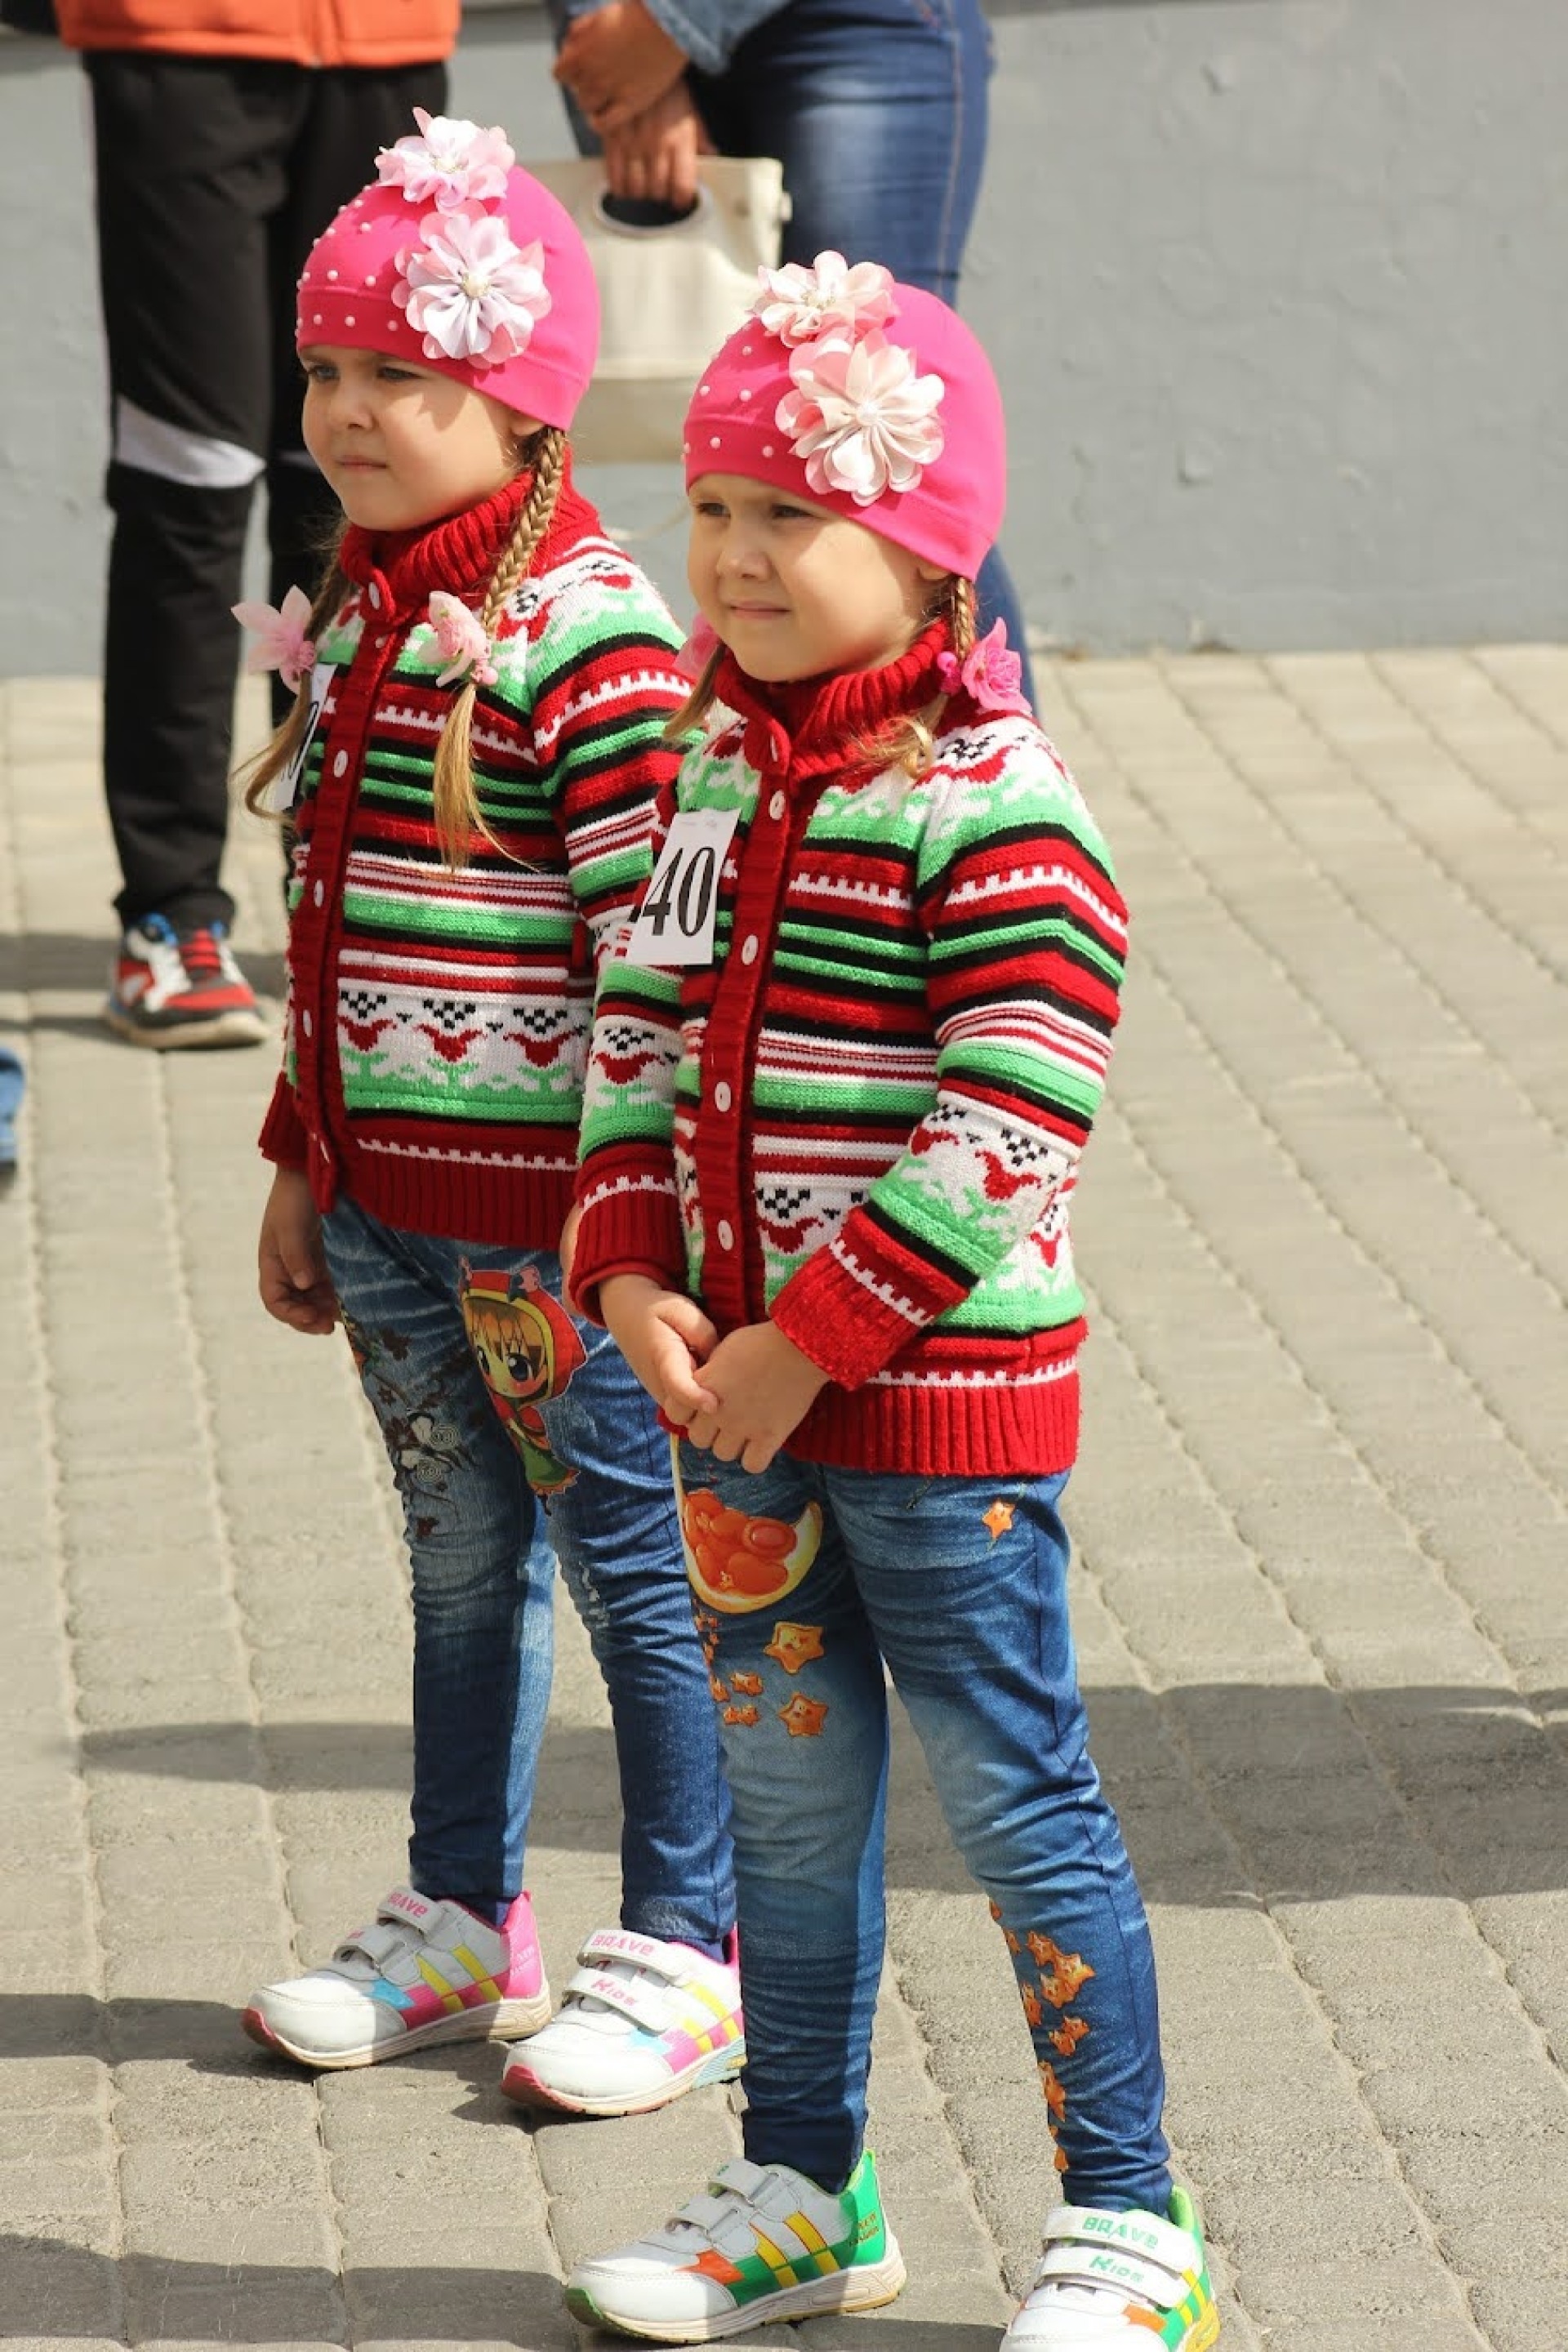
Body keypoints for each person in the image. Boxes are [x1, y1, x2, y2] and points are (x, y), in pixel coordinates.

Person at [561, 260, 1218, 2345]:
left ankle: (1131, 2220)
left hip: (933, 1429)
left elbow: (1013, 1110)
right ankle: (805, 2184)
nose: (737, 556)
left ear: (930, 554)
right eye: (712, 511)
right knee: (784, 1806)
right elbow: (637, 1035)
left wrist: (812, 1336)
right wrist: (630, 1269)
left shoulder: (996, 805)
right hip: (732, 1414)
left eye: (794, 513)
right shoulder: (709, 777)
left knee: (1017, 1800)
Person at [234, 112, 742, 2118]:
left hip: (554, 1233)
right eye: (327, 370)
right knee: (459, 1559)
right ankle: (464, 1913)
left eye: (403, 375)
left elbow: (661, 965)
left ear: (521, 400)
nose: (349, 413)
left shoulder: (588, 635)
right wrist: (300, 1156)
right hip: (384, 1209)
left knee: (635, 1569)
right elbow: (323, 918)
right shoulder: (363, 605)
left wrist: (636, 1230)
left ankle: (689, 1939)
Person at [54, 0, 459, 1047]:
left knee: (353, 481)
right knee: (189, 482)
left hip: (389, 47)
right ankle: (171, 912)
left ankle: (341, 887)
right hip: (182, 47)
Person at [544, 0, 1036, 700]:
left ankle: (983, 756)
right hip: (628, 38)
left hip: (854, 26)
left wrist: (673, 22)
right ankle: (788, 757)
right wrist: (614, 40)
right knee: (771, 466)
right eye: (711, 515)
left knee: (893, 465)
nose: (734, 559)